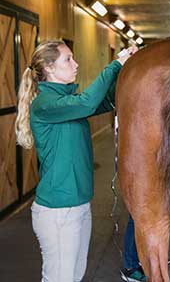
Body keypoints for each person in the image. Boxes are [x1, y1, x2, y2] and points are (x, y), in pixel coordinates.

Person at [15, 40, 133, 282]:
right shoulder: (44, 105)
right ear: (49, 68)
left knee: (74, 276)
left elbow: (106, 101)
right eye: (68, 59)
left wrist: (126, 69)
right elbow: (87, 102)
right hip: (58, 210)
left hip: (79, 205)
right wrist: (114, 66)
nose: (75, 64)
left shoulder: (68, 103)